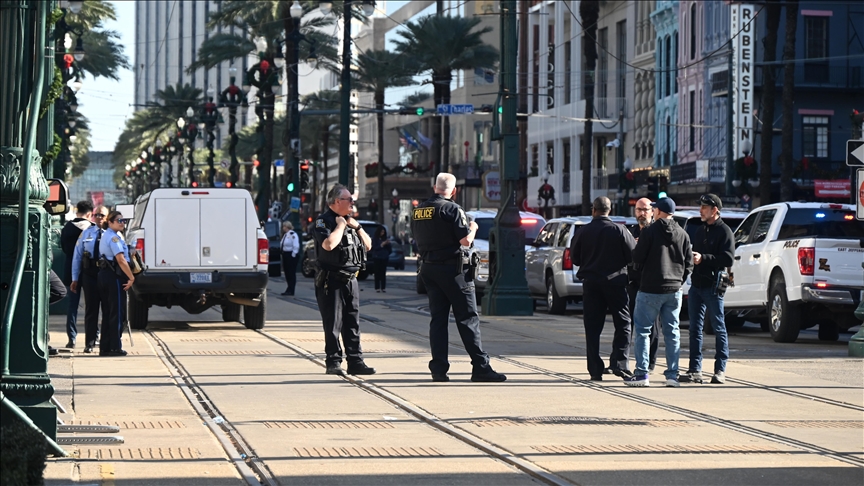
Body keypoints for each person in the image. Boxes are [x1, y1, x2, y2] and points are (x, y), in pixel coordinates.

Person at [412, 173, 506, 383]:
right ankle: (480, 367)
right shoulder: (452, 209)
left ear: (435, 186)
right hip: (453, 271)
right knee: (467, 319)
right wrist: (473, 228)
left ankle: (438, 369)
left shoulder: (419, 210)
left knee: (438, 320)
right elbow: (464, 241)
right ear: (454, 191)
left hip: (429, 268)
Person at [625, 197, 693, 387]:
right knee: (672, 332)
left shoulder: (649, 232)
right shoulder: (683, 234)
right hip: (674, 290)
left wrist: (641, 273)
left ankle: (641, 374)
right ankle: (672, 375)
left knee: (643, 331)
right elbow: (689, 264)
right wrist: (680, 280)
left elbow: (637, 258)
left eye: (654, 210)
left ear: (658, 211)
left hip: (650, 289)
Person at [311, 185, 376, 376]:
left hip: (351, 280)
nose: (352, 203)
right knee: (333, 324)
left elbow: (368, 245)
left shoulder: (352, 222)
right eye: (349, 200)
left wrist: (359, 227)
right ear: (337, 201)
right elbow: (329, 245)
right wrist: (340, 225)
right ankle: (333, 361)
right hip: (331, 281)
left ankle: (356, 361)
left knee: (353, 323)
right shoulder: (323, 222)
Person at [570, 196, 636, 381]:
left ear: (594, 210)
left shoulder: (583, 232)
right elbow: (633, 256)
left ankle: (595, 369)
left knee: (592, 328)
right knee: (623, 324)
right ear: (610, 210)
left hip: (591, 284)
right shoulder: (620, 230)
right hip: (616, 283)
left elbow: (575, 258)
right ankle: (619, 363)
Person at [681, 194, 735, 385]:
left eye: (705, 207)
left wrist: (704, 258)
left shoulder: (725, 231)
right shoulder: (700, 230)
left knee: (719, 328)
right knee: (694, 329)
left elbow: (728, 258)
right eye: (701, 206)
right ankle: (695, 369)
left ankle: (720, 369)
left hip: (713, 287)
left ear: (715, 210)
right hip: (696, 286)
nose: (701, 210)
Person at [616, 197, 662, 373]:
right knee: (631, 325)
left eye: (645, 210)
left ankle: (649, 364)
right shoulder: (630, 232)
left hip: (651, 285)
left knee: (653, 327)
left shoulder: (656, 232)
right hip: (633, 284)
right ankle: (624, 362)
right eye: (638, 210)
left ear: (652, 211)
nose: (642, 213)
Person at [71, 205, 109, 353]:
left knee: (107, 308)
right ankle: (90, 343)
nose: (98, 218)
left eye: (101, 215)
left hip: (106, 273)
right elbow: (77, 256)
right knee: (91, 309)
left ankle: (106, 342)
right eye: (96, 215)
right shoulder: (86, 233)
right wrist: (75, 277)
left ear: (107, 217)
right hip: (90, 273)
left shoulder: (112, 234)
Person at [97, 211, 135, 357]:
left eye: (123, 220)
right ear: (110, 222)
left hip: (106, 275)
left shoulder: (109, 235)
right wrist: (131, 277)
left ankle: (106, 346)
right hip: (114, 276)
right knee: (117, 313)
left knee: (108, 312)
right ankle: (114, 346)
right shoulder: (113, 237)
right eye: (119, 220)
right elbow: (120, 260)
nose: (122, 223)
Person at [60, 200, 94, 348]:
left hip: (70, 269)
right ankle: (93, 336)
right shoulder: (91, 229)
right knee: (92, 305)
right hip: (88, 271)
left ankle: (72, 338)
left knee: (72, 305)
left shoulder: (67, 228)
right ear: (89, 214)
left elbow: (63, 248)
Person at [280, 221, 300, 296]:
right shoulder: (285, 235)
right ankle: (289, 288)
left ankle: (291, 289)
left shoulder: (293, 234)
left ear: (287, 226)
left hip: (291, 255)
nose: (283, 228)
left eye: (284, 226)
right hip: (285, 255)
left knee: (291, 273)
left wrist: (293, 255)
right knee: (287, 273)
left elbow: (296, 245)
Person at [370, 226, 391, 293]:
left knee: (383, 273)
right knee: (377, 273)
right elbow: (374, 247)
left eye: (383, 232)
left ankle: (383, 287)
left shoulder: (385, 238)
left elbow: (390, 249)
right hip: (377, 257)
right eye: (381, 232)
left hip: (384, 257)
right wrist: (381, 245)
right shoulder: (375, 239)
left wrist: (387, 244)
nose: (382, 233)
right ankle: (377, 287)